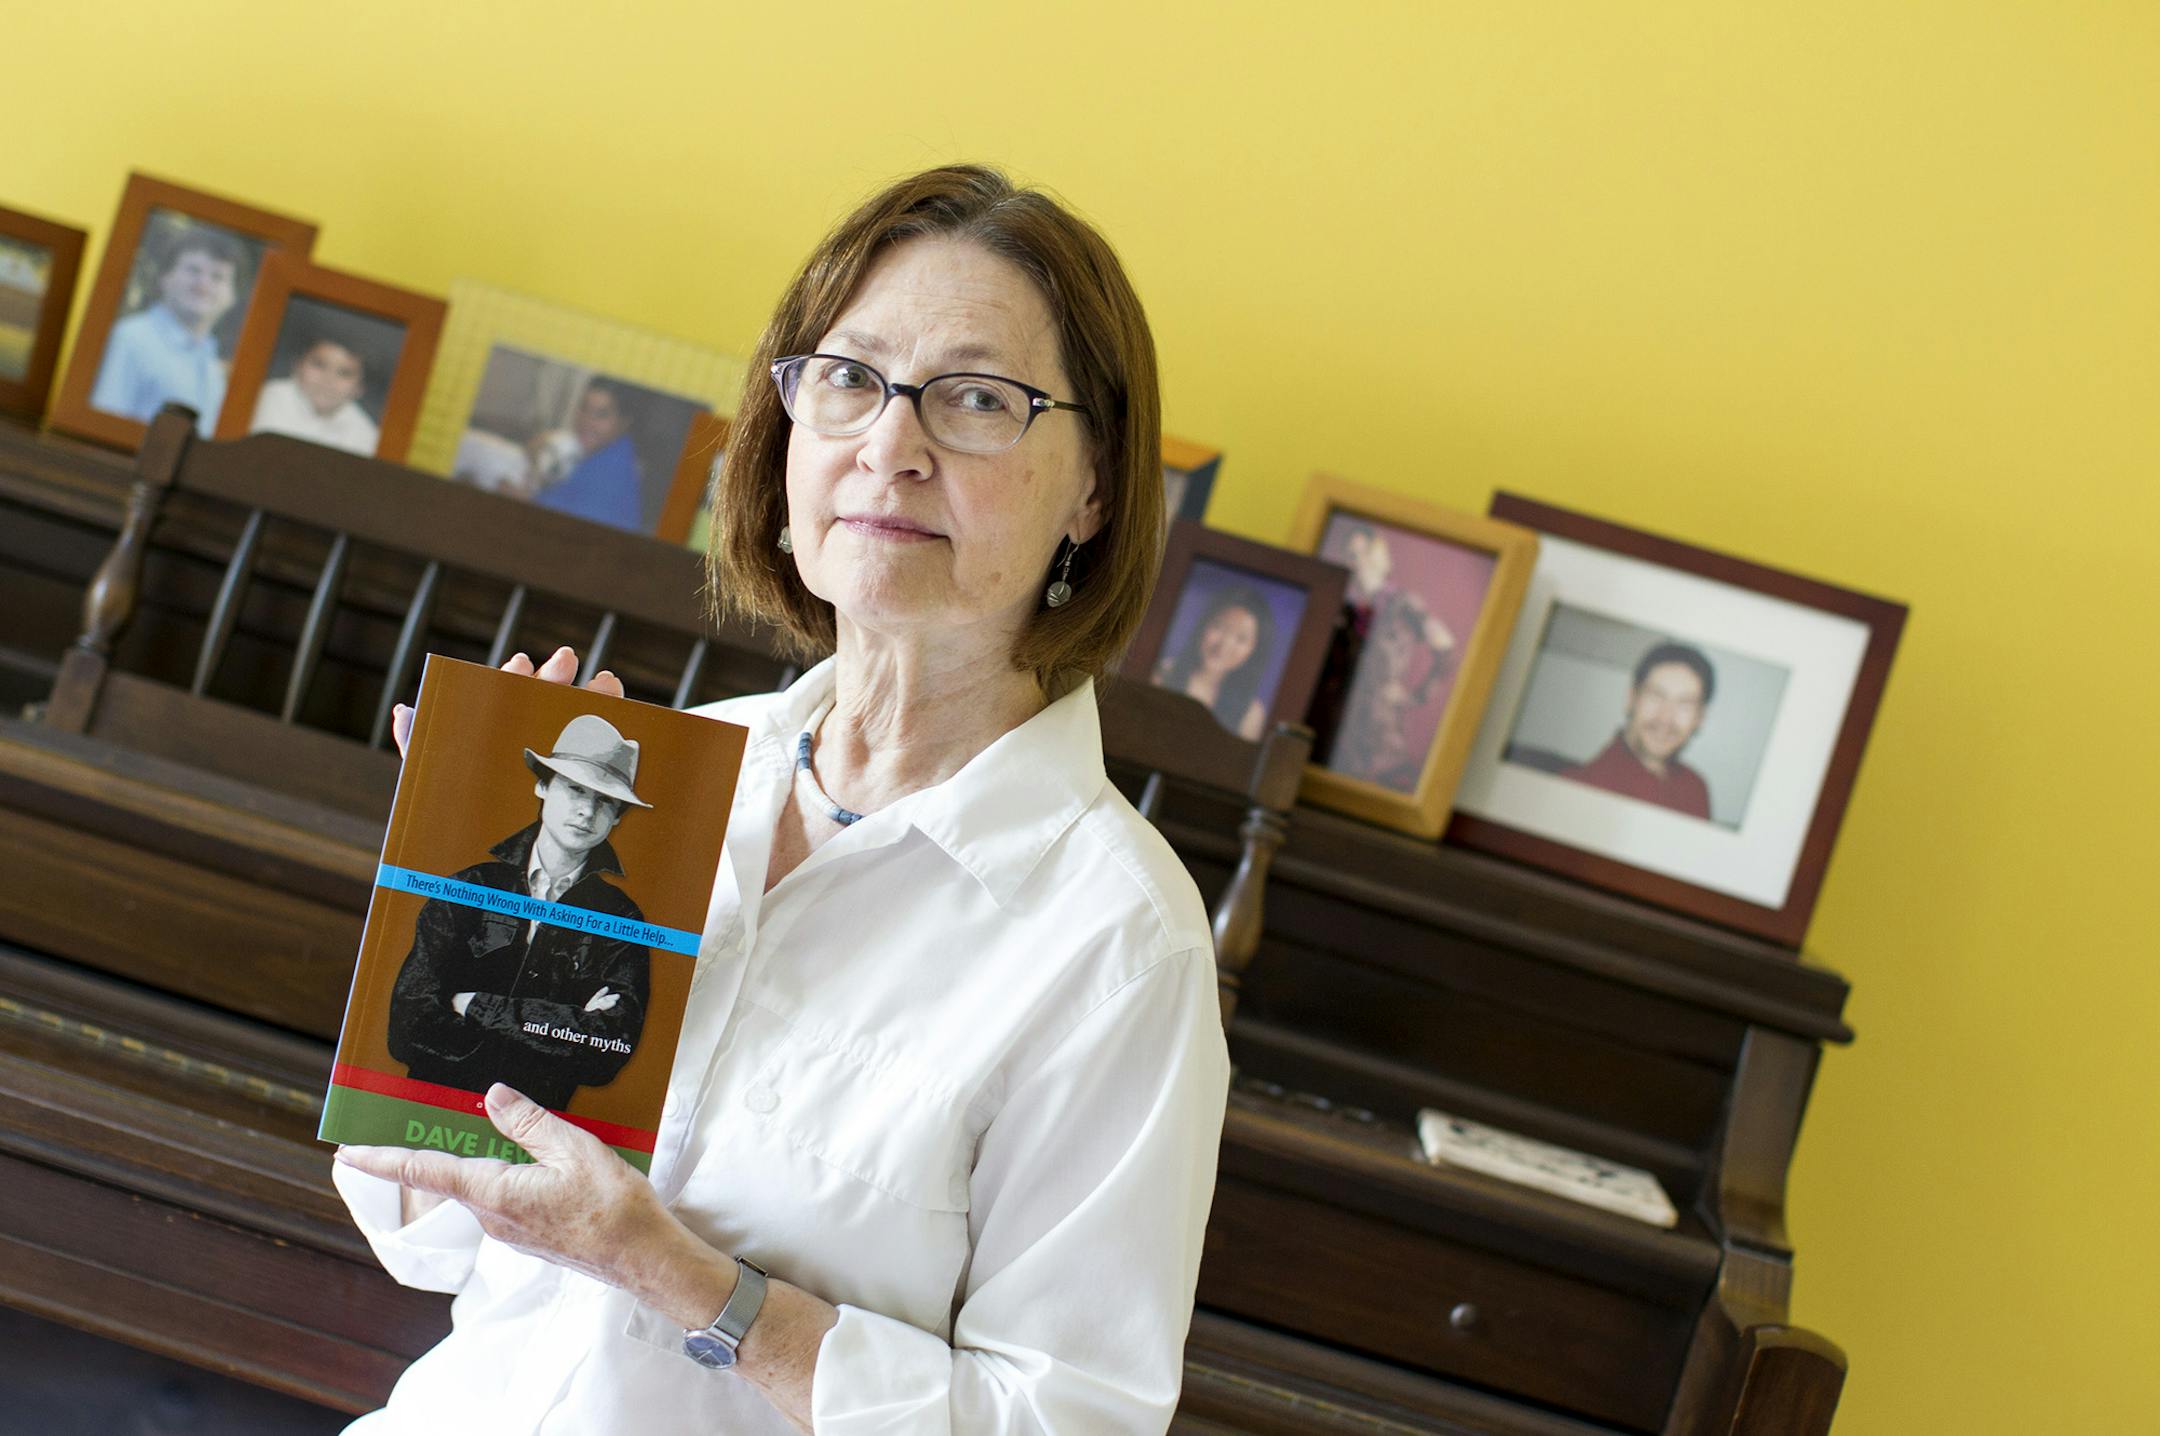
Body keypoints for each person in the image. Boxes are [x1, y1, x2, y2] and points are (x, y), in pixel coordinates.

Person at [334, 164, 1223, 1436]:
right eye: (851, 379)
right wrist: (454, 887)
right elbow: (439, 1238)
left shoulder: (1120, 936)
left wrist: (682, 1277)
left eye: (976, 399)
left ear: (1095, 486)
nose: (891, 448)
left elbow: (1064, 1421)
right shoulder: (690, 769)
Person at [386, 714, 654, 1109]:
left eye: (605, 801)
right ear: (543, 785)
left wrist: (472, 1004)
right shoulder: (468, 887)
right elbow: (407, 1026)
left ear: (616, 817)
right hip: (426, 1113)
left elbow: (607, 1054)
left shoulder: (622, 920)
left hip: (533, 1143)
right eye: (576, 790)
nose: (586, 810)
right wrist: (564, 1024)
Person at [1311, 520, 1458, 793]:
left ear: (1379, 554)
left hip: (1380, 727)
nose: (1359, 561)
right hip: (1340, 721)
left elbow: (1446, 647)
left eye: (1365, 552)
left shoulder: (1402, 605)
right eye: (1352, 555)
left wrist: (1418, 695)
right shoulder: (1344, 606)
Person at [89, 228, 246, 436]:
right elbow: (99, 426)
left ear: (232, 296)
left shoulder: (211, 360)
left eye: (218, 277)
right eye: (194, 270)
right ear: (165, 278)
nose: (203, 285)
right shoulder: (131, 338)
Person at [1561, 641, 1717, 819]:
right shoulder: (1579, 788)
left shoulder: (1695, 789)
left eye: (1684, 704)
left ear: (1699, 718)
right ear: (1631, 699)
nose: (1665, 718)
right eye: (1656, 696)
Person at [1153, 583, 1275, 739]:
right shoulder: (1162, 674)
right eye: (1220, 627)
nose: (1224, 645)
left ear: (1254, 651)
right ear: (1204, 625)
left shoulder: (1251, 714)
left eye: (1241, 638)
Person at [532, 378, 645, 530]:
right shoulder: (602, 451)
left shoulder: (610, 479)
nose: (586, 421)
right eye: (584, 408)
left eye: (602, 414)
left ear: (623, 422)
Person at [248, 335, 381, 455]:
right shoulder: (265, 399)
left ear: (359, 388)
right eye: (320, 364)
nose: (328, 379)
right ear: (297, 365)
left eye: (344, 373)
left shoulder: (366, 435)